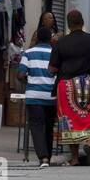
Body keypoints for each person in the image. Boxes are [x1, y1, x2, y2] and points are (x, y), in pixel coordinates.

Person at [49, 8, 90, 166]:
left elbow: (52, 69)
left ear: (68, 25)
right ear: (83, 23)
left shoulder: (60, 42)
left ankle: (75, 158)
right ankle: (89, 144)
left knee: (69, 119)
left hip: (67, 86)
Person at [19, 26, 57, 168]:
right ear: (49, 38)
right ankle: (48, 155)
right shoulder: (55, 53)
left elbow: (21, 75)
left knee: (36, 126)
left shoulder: (28, 53)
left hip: (33, 96)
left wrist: (30, 82)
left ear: (37, 38)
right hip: (51, 97)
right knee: (48, 126)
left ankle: (43, 158)